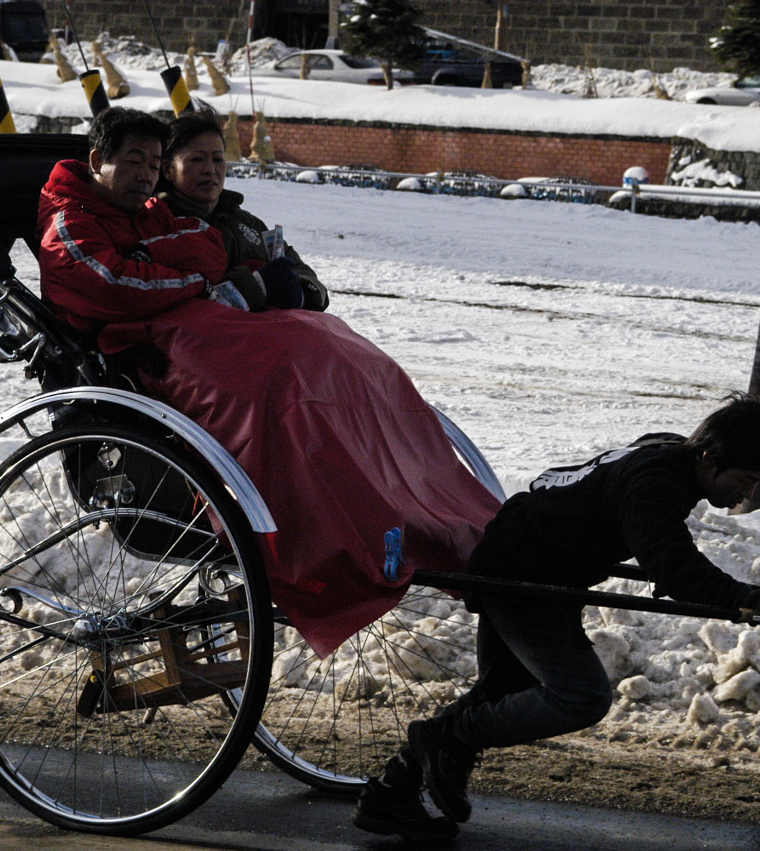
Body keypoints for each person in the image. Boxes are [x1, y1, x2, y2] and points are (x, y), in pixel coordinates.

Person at [36, 106, 502, 661]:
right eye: (134, 161)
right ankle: (306, 535)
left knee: (339, 352)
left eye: (153, 163)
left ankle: (409, 505)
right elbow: (116, 283)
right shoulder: (71, 219)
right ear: (98, 162)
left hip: (193, 322)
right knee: (278, 380)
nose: (145, 174)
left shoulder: (179, 217)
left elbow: (204, 246)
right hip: (146, 347)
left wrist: (205, 271)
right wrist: (203, 281)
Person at [353, 393, 760, 840]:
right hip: (523, 572)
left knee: (504, 690)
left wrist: (752, 600)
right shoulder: (656, 482)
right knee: (582, 697)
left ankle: (390, 795)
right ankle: (446, 738)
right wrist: (755, 600)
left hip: (529, 559)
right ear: (710, 457)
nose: (748, 493)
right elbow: (675, 569)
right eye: (746, 479)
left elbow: (660, 552)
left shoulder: (670, 454)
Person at [155, 107, 329, 313]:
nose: (210, 169)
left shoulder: (250, 224)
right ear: (167, 169)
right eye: (197, 159)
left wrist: (302, 292)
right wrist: (255, 287)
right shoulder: (157, 226)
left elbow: (303, 272)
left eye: (218, 159)